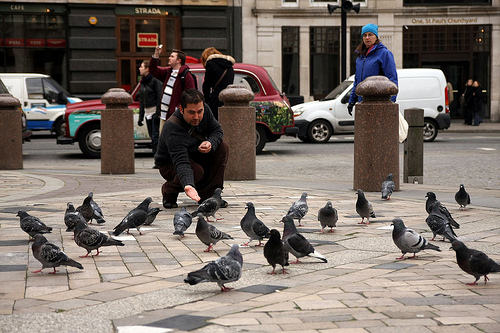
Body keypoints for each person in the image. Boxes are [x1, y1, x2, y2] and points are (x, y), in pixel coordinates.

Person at [154, 89, 229, 209]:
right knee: (196, 171)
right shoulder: (172, 128)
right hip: (169, 163)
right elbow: (181, 162)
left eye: (200, 111)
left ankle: (210, 195)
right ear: (182, 109)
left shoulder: (205, 110)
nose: (196, 117)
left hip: (194, 154)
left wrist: (210, 142)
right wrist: (188, 184)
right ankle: (169, 190)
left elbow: (217, 130)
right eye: (191, 112)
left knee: (221, 148)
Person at [348, 23, 398, 116]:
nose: (367, 38)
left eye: (370, 35)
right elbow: (357, 81)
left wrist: (391, 102)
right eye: (365, 35)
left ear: (376, 37)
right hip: (362, 103)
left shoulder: (384, 54)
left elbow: (392, 79)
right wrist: (352, 100)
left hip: (379, 104)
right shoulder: (360, 57)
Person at [149, 47, 196, 133]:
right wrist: (156, 55)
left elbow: (191, 95)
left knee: (173, 141)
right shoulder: (168, 72)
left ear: (179, 60)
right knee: (163, 142)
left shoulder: (186, 75)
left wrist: (178, 109)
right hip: (164, 115)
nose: (169, 58)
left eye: (172, 56)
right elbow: (153, 70)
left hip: (175, 117)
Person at [200, 47, 235, 120]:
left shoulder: (210, 64)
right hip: (228, 99)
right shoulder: (229, 66)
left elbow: (207, 84)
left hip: (216, 100)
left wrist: (207, 99)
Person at [138, 60, 163, 154]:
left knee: (155, 136)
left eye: (141, 67)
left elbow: (159, 97)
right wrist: (140, 117)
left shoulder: (155, 80)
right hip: (147, 112)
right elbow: (141, 100)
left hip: (154, 112)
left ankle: (158, 159)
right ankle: (156, 158)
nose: (139, 68)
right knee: (152, 136)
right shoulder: (143, 82)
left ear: (147, 69)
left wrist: (157, 112)